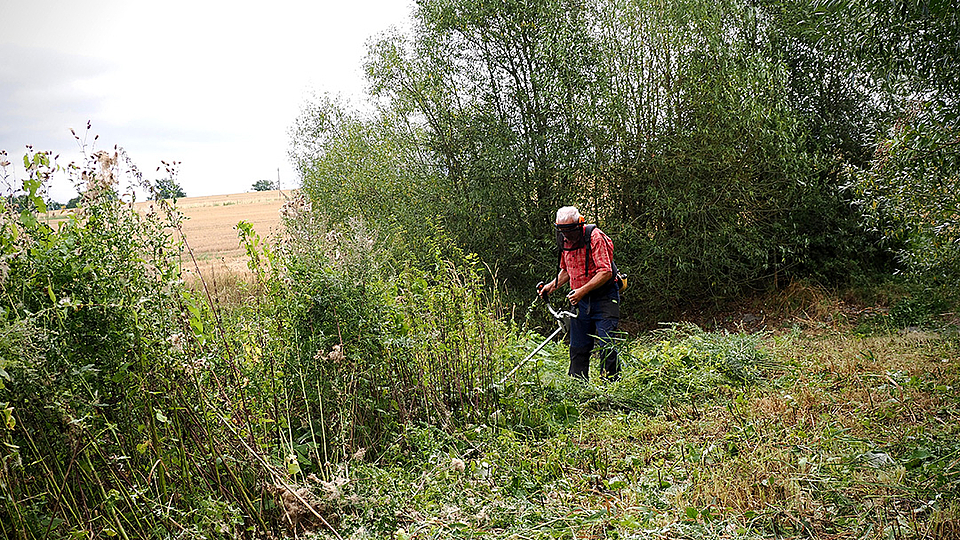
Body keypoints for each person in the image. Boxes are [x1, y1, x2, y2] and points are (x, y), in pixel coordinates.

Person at [538, 206, 621, 380]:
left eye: (569, 230)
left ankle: (611, 386)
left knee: (607, 345)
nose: (566, 235)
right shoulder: (564, 241)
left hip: (604, 298)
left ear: (579, 224)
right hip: (580, 301)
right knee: (578, 347)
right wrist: (550, 287)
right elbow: (567, 270)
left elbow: (605, 272)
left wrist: (582, 291)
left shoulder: (595, 237)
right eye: (562, 230)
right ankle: (578, 386)